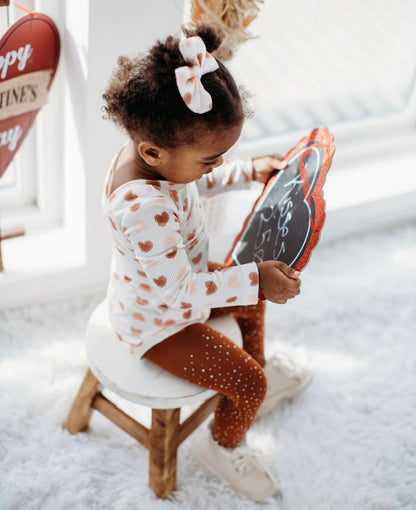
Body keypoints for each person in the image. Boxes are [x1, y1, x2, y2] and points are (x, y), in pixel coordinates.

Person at [101, 24, 311, 502]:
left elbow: (190, 180)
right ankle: (221, 445)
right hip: (157, 322)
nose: (215, 166)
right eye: (212, 160)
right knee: (247, 382)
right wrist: (254, 277)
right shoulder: (142, 208)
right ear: (153, 152)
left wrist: (247, 170)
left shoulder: (151, 156)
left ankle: (257, 368)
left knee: (250, 305)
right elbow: (177, 294)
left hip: (176, 288)